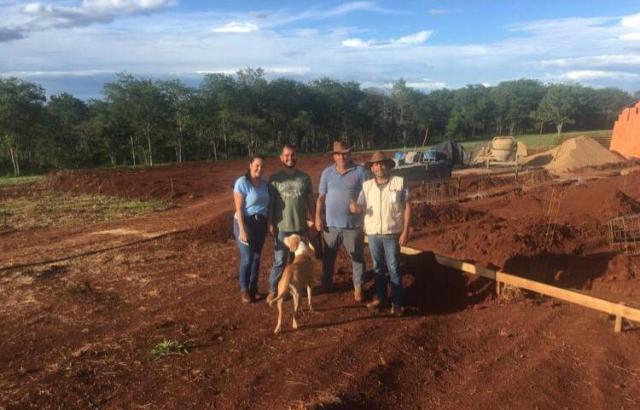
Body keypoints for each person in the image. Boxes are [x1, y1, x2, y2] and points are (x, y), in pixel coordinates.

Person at [349, 151, 411, 315]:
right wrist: (355, 208)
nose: (379, 167)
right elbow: (361, 206)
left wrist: (405, 231)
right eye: (375, 164)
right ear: (372, 168)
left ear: (388, 166)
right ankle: (382, 298)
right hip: (373, 234)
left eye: (382, 163)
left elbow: (407, 207)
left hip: (392, 234)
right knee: (377, 268)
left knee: (394, 268)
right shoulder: (367, 186)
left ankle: (397, 303)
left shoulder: (399, 183)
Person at [315, 141, 367, 302]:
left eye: (345, 153)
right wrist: (318, 216)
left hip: (353, 225)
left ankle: (358, 287)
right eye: (338, 154)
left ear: (350, 154)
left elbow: (367, 194)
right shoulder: (327, 173)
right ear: (334, 156)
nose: (341, 156)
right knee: (328, 256)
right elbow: (321, 197)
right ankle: (327, 282)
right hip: (331, 225)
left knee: (357, 257)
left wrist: (359, 207)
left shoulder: (360, 171)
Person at [266, 144, 315, 304]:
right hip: (282, 228)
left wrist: (313, 218)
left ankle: (296, 287)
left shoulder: (304, 178)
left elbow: (309, 200)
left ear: (297, 156)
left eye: (293, 155)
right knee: (280, 261)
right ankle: (274, 289)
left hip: (300, 228)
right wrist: (271, 223)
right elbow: (271, 203)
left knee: (300, 261)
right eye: (286, 155)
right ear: (281, 157)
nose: (290, 158)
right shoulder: (274, 179)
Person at [233, 155, 270, 304]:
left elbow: (268, 205)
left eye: (262, 166)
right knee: (247, 257)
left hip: (260, 223)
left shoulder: (265, 184)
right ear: (250, 165)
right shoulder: (242, 182)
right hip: (244, 222)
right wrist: (242, 230)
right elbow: (239, 208)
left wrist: (268, 224)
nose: (259, 169)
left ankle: (253, 288)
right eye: (257, 165)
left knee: (256, 257)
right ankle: (244, 289)